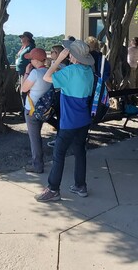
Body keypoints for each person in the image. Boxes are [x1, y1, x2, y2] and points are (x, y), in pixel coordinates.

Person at [34, 39, 95, 202]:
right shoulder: (88, 71)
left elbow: (47, 77)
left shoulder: (70, 71)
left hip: (69, 121)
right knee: (80, 151)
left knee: (59, 153)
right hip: (84, 119)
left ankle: (53, 189)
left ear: (73, 55)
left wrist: (58, 60)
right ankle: (80, 185)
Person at [19, 48, 52, 173]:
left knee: (34, 138)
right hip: (44, 108)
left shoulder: (35, 73)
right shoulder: (49, 72)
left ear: (36, 60)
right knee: (37, 136)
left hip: (32, 109)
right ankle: (37, 161)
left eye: (31, 59)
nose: (30, 61)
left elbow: (23, 88)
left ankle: (37, 164)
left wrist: (27, 73)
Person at [15, 31, 35, 112]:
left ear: (27, 38)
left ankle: (26, 110)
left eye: (23, 37)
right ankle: (24, 108)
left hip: (25, 72)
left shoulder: (31, 48)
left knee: (24, 91)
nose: (21, 39)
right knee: (21, 90)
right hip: (21, 71)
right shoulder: (24, 47)